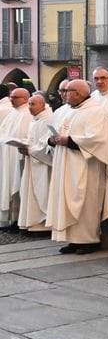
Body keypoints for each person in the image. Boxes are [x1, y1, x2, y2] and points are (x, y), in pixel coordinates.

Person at [46, 80, 108, 254]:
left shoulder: (96, 111)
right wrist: (52, 140)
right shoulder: (66, 111)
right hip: (65, 163)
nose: (63, 94)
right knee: (67, 200)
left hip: (86, 166)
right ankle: (73, 240)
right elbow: (55, 132)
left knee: (86, 202)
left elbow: (98, 139)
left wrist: (69, 141)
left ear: (78, 93)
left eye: (67, 91)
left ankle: (89, 240)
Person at [17, 94, 53, 235]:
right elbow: (32, 139)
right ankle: (33, 224)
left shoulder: (49, 120)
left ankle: (44, 225)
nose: (30, 107)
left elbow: (48, 144)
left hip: (44, 165)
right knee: (29, 192)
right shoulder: (35, 120)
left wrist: (31, 150)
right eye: (29, 104)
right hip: (32, 162)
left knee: (43, 192)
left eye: (33, 104)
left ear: (43, 105)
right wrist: (23, 144)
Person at [0, 88, 31, 229]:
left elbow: (25, 135)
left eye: (15, 97)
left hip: (17, 156)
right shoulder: (13, 113)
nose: (12, 99)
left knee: (16, 185)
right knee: (7, 183)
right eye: (11, 97)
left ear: (25, 98)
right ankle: (9, 218)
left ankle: (17, 218)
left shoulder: (27, 114)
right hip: (7, 154)